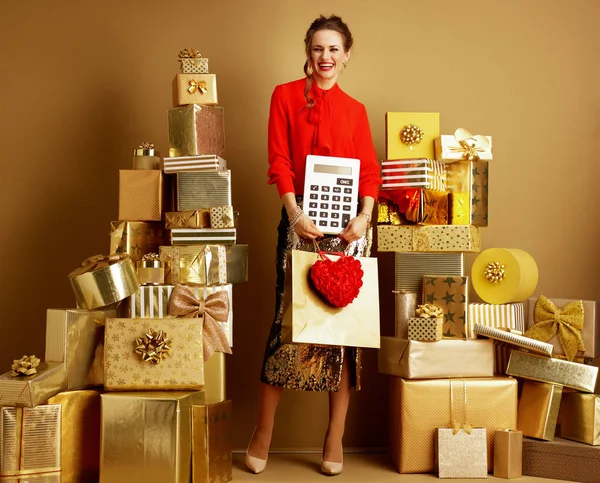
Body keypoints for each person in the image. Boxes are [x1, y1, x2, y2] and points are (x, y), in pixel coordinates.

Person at [245, 14, 382, 476]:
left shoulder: (356, 109)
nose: (326, 57)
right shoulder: (284, 96)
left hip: (350, 231)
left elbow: (369, 173)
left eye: (334, 49)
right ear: (308, 50)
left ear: (347, 54)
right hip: (299, 219)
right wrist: (294, 214)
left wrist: (364, 219)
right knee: (288, 325)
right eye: (318, 48)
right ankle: (263, 432)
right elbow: (279, 160)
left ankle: (334, 437)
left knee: (344, 337)